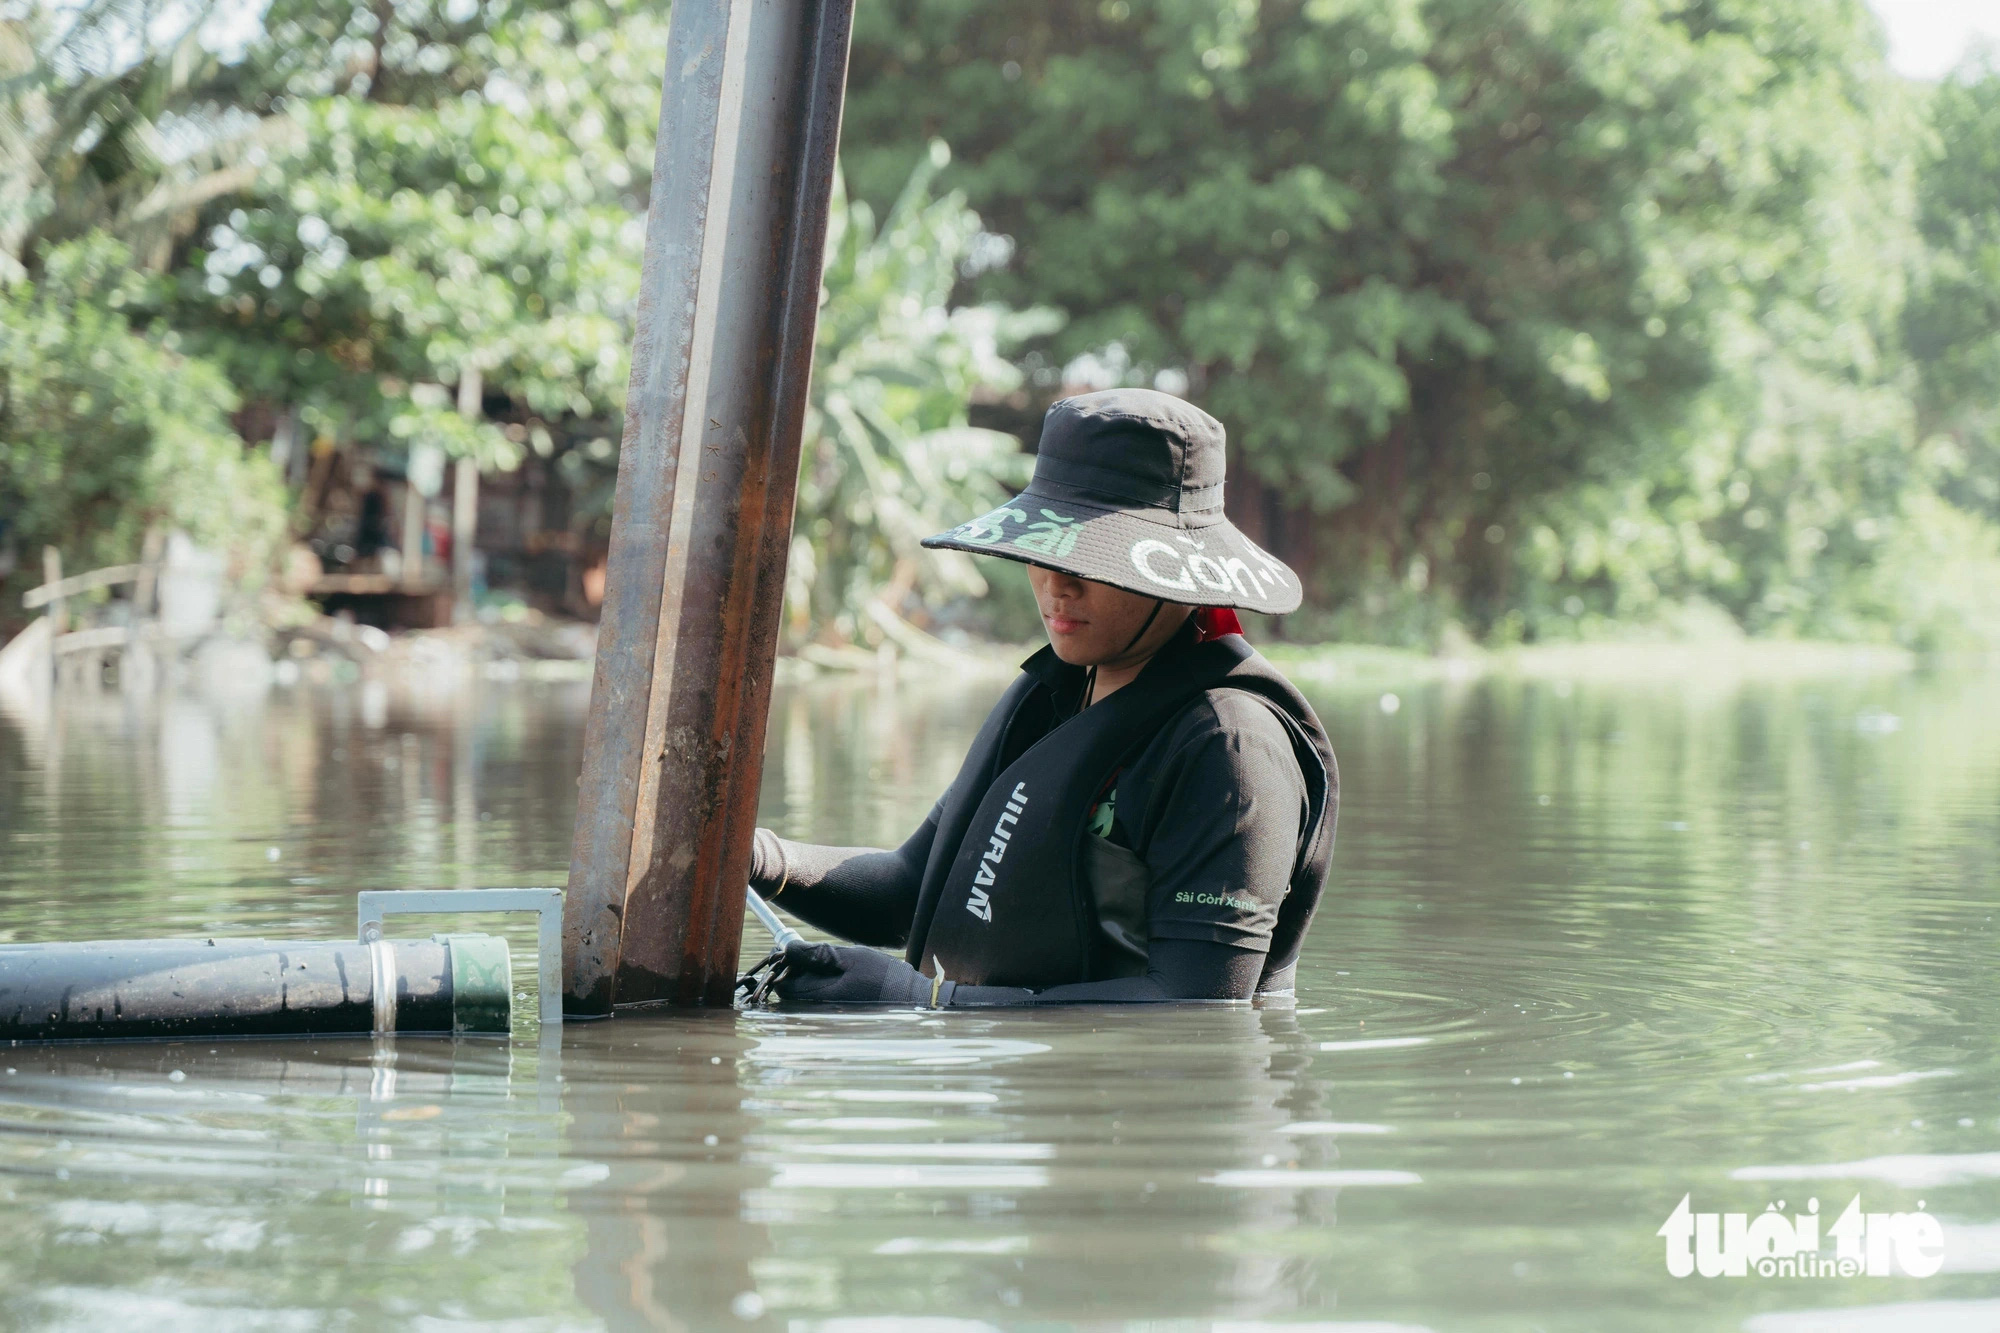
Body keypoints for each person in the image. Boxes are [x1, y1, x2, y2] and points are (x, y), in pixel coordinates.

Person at [751, 388, 1338, 1006]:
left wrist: (922, 1001)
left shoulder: (1231, 748)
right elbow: (912, 885)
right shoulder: (1052, 698)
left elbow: (1195, 1011)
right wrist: (756, 857)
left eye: (1096, 559)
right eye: (1048, 546)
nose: (1058, 582)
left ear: (1179, 576)